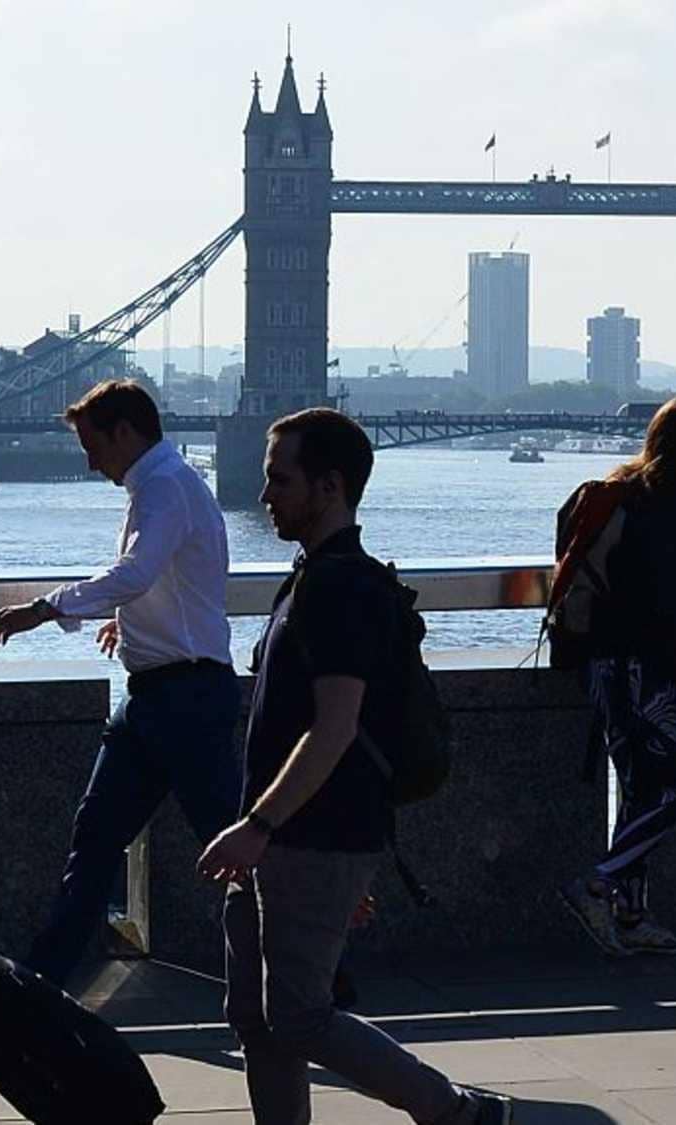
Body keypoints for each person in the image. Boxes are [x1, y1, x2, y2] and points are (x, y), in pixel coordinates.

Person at [198, 409, 510, 1125]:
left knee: (298, 1015)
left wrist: (258, 826)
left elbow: (334, 727)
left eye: (280, 479)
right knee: (254, 1015)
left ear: (330, 485)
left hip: (310, 834)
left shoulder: (341, 589)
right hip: (289, 838)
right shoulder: (310, 577)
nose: (263, 493)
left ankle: (457, 1113)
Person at [0, 380, 240, 988]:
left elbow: (135, 572)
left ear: (125, 432)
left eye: (93, 445)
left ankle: (317, 977)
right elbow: (171, 580)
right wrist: (130, 623)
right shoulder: (166, 483)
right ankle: (40, 985)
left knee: (229, 849)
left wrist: (44, 608)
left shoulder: (164, 486)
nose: (90, 462)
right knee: (97, 841)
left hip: (183, 700)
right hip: (159, 694)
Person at [557, 396, 676, 956]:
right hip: (644, 668)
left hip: (602, 664)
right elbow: (675, 612)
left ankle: (631, 917)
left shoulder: (624, 489)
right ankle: (597, 883)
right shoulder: (674, 505)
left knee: (640, 788)